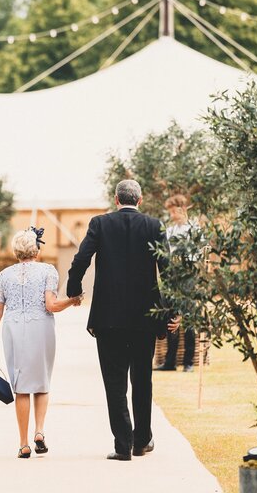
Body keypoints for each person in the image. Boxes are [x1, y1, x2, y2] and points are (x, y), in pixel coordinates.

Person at [66, 179, 180, 460]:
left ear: (116, 199)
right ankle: (141, 441)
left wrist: (74, 289)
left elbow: (81, 259)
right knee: (143, 379)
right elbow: (168, 270)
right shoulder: (154, 225)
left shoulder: (100, 223)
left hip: (108, 317)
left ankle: (122, 445)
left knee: (114, 382)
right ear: (139, 200)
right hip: (145, 317)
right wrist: (174, 310)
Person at [0, 227, 81, 459]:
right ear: (36, 250)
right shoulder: (48, 271)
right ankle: (39, 430)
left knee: (21, 387)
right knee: (41, 382)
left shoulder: (4, 275)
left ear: (16, 251)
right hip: (41, 328)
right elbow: (51, 305)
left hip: (13, 329)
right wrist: (73, 300)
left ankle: (23, 443)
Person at [157, 194, 196, 373]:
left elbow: (197, 257)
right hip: (171, 279)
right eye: (170, 212)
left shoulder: (194, 229)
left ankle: (188, 362)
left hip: (188, 278)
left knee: (187, 319)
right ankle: (169, 362)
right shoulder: (169, 231)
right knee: (171, 318)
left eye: (174, 211)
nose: (172, 215)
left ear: (183, 209)